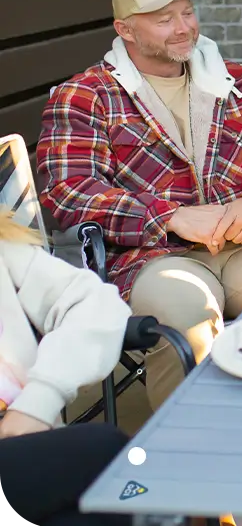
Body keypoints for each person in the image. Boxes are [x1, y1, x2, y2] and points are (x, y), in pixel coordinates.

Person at [37, 0, 242, 410]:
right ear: (124, 29)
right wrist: (167, 215)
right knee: (189, 325)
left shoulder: (237, 81)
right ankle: (186, 459)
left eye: (187, 12)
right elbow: (69, 190)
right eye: (164, 20)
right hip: (152, 256)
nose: (184, 28)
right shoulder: (86, 95)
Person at [0, 212, 131, 525]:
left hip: (22, 447)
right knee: (104, 452)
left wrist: (36, 404)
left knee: (92, 516)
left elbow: (95, 302)